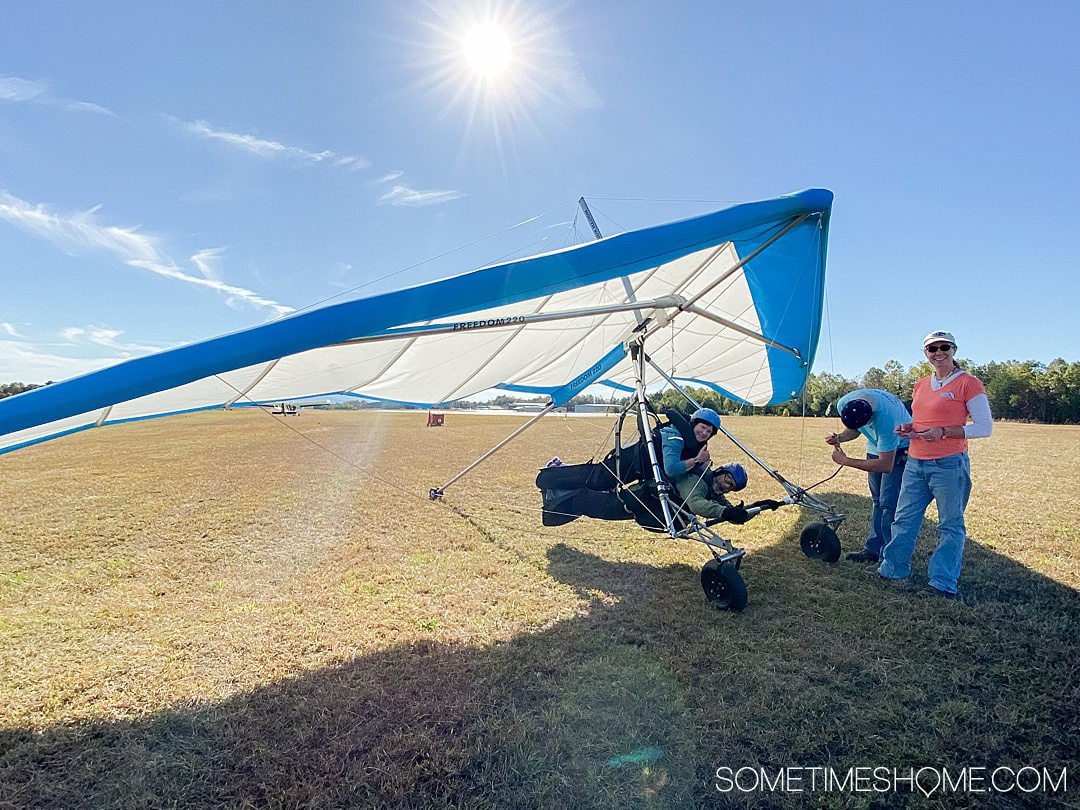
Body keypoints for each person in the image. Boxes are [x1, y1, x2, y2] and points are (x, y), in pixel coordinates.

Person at [876, 331, 994, 598]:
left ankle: (942, 583)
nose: (938, 352)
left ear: (954, 350)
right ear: (925, 353)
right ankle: (892, 569)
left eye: (944, 347)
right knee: (904, 519)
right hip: (915, 463)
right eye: (932, 348)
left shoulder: (968, 383)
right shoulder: (920, 385)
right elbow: (921, 421)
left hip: (949, 465)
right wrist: (909, 428)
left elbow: (985, 427)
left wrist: (944, 432)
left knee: (950, 525)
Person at [826, 389, 912, 563]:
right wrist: (839, 438)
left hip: (900, 447)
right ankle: (872, 550)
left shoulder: (886, 420)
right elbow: (855, 430)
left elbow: (885, 465)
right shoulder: (845, 402)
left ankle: (888, 558)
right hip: (876, 446)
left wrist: (846, 460)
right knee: (877, 500)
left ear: (872, 415)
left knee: (889, 503)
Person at [658, 408, 778, 524]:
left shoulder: (715, 488)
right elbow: (696, 504)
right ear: (720, 471)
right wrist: (697, 459)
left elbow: (736, 515)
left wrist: (759, 506)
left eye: (731, 487)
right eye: (727, 479)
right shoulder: (695, 480)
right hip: (673, 474)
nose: (726, 486)